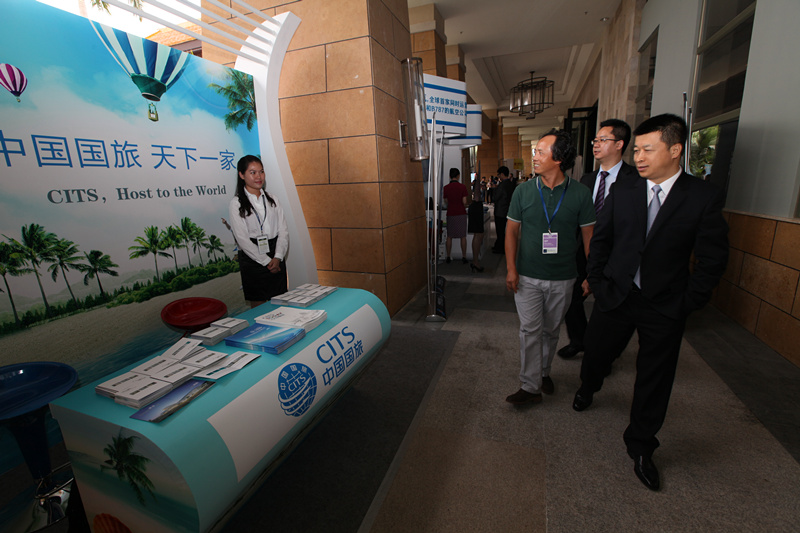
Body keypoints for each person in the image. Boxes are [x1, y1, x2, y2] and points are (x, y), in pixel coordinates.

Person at [572, 114, 729, 491]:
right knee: (596, 350)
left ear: (675, 150)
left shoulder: (701, 196)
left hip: (666, 303)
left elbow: (712, 258)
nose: (638, 157)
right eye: (637, 150)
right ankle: (589, 386)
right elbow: (602, 239)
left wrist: (688, 301)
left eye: (647, 149)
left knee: (655, 376)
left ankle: (641, 445)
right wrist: (598, 281)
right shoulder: (624, 189)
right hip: (617, 293)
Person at [505, 130, 596, 406]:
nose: (534, 157)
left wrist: (591, 274)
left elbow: (589, 238)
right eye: (535, 151)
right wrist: (511, 268)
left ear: (558, 159)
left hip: (563, 277)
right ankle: (530, 386)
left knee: (551, 330)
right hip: (527, 276)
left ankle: (543, 372)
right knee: (530, 330)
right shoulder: (523, 191)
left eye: (540, 152)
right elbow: (511, 232)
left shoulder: (580, 194)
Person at [558, 119, 638, 360]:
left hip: (616, 255)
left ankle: (602, 353)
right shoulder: (588, 180)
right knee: (571, 298)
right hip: (584, 250)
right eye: (595, 140)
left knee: (609, 304)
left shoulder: (635, 180)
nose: (596, 144)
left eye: (603, 140)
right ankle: (579, 340)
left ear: (619, 144)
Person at [228, 155, 289, 308]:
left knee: (281, 302)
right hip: (252, 258)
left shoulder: (273, 199)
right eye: (253, 172)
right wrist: (267, 261)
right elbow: (242, 239)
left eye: (261, 172)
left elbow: (283, 231)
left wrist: (278, 257)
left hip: (276, 254)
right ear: (241, 175)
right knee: (259, 306)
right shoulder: (236, 204)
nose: (258, 176)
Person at [442, 167, 468, 264]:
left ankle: (448, 256)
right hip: (461, 213)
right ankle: (464, 256)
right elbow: (464, 201)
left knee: (449, 236)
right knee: (463, 236)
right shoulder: (463, 187)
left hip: (451, 213)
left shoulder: (446, 188)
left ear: (449, 176)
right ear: (458, 176)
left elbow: (446, 201)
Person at [491, 166, 514, 254]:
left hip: (500, 211)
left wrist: (494, 189)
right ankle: (500, 245)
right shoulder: (511, 184)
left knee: (500, 230)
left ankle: (500, 247)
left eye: (499, 174)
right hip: (508, 210)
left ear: (502, 174)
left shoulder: (502, 185)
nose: (498, 176)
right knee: (505, 230)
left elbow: (495, 197)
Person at [467, 177, 485, 272]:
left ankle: (475, 260)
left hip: (475, 207)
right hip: (476, 208)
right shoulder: (476, 182)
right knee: (478, 234)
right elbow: (476, 196)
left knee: (478, 234)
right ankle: (475, 261)